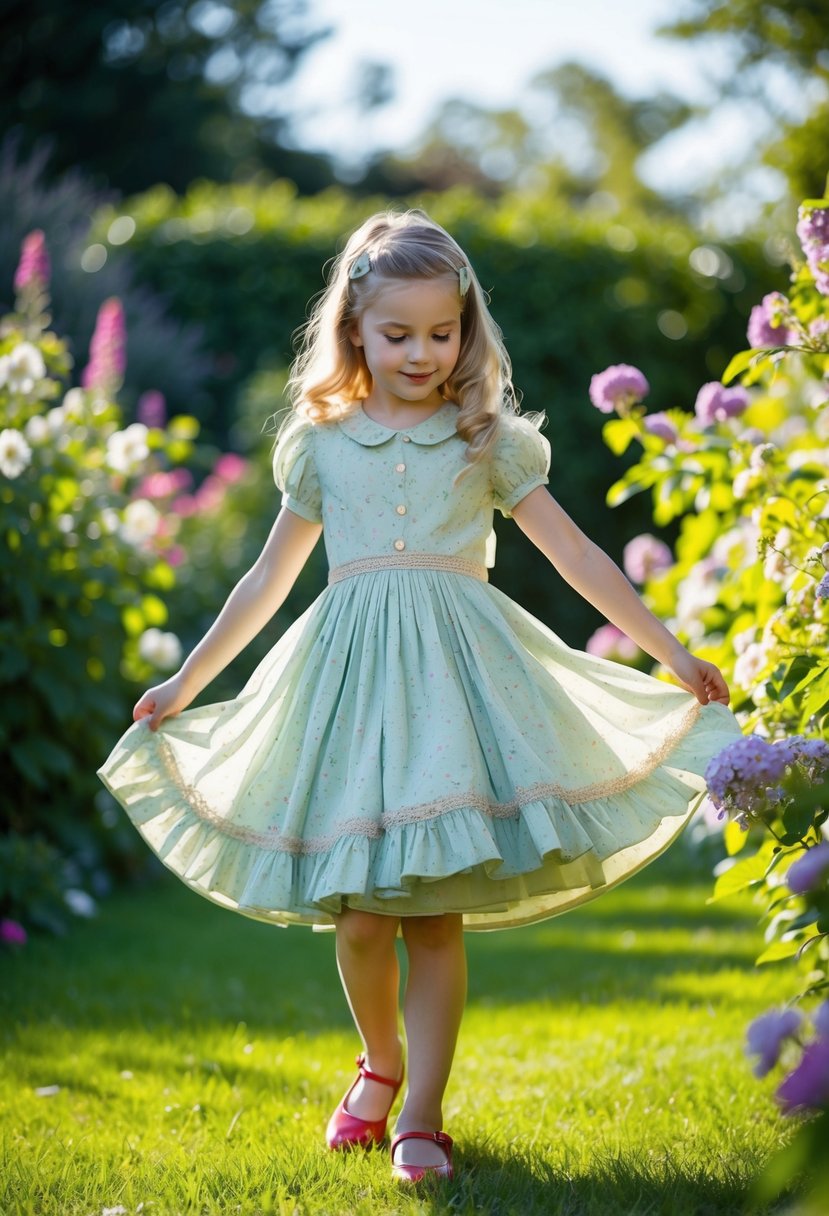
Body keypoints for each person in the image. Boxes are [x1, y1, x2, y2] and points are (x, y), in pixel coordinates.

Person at [97, 209, 743, 1184]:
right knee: (359, 917)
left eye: (442, 333)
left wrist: (669, 649)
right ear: (353, 328)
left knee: (432, 912)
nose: (422, 352)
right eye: (398, 333)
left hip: (455, 687)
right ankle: (381, 1061)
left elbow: (572, 553)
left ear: (465, 328)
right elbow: (267, 580)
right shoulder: (321, 443)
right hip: (350, 690)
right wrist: (188, 679)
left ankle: (424, 1117)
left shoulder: (485, 436)